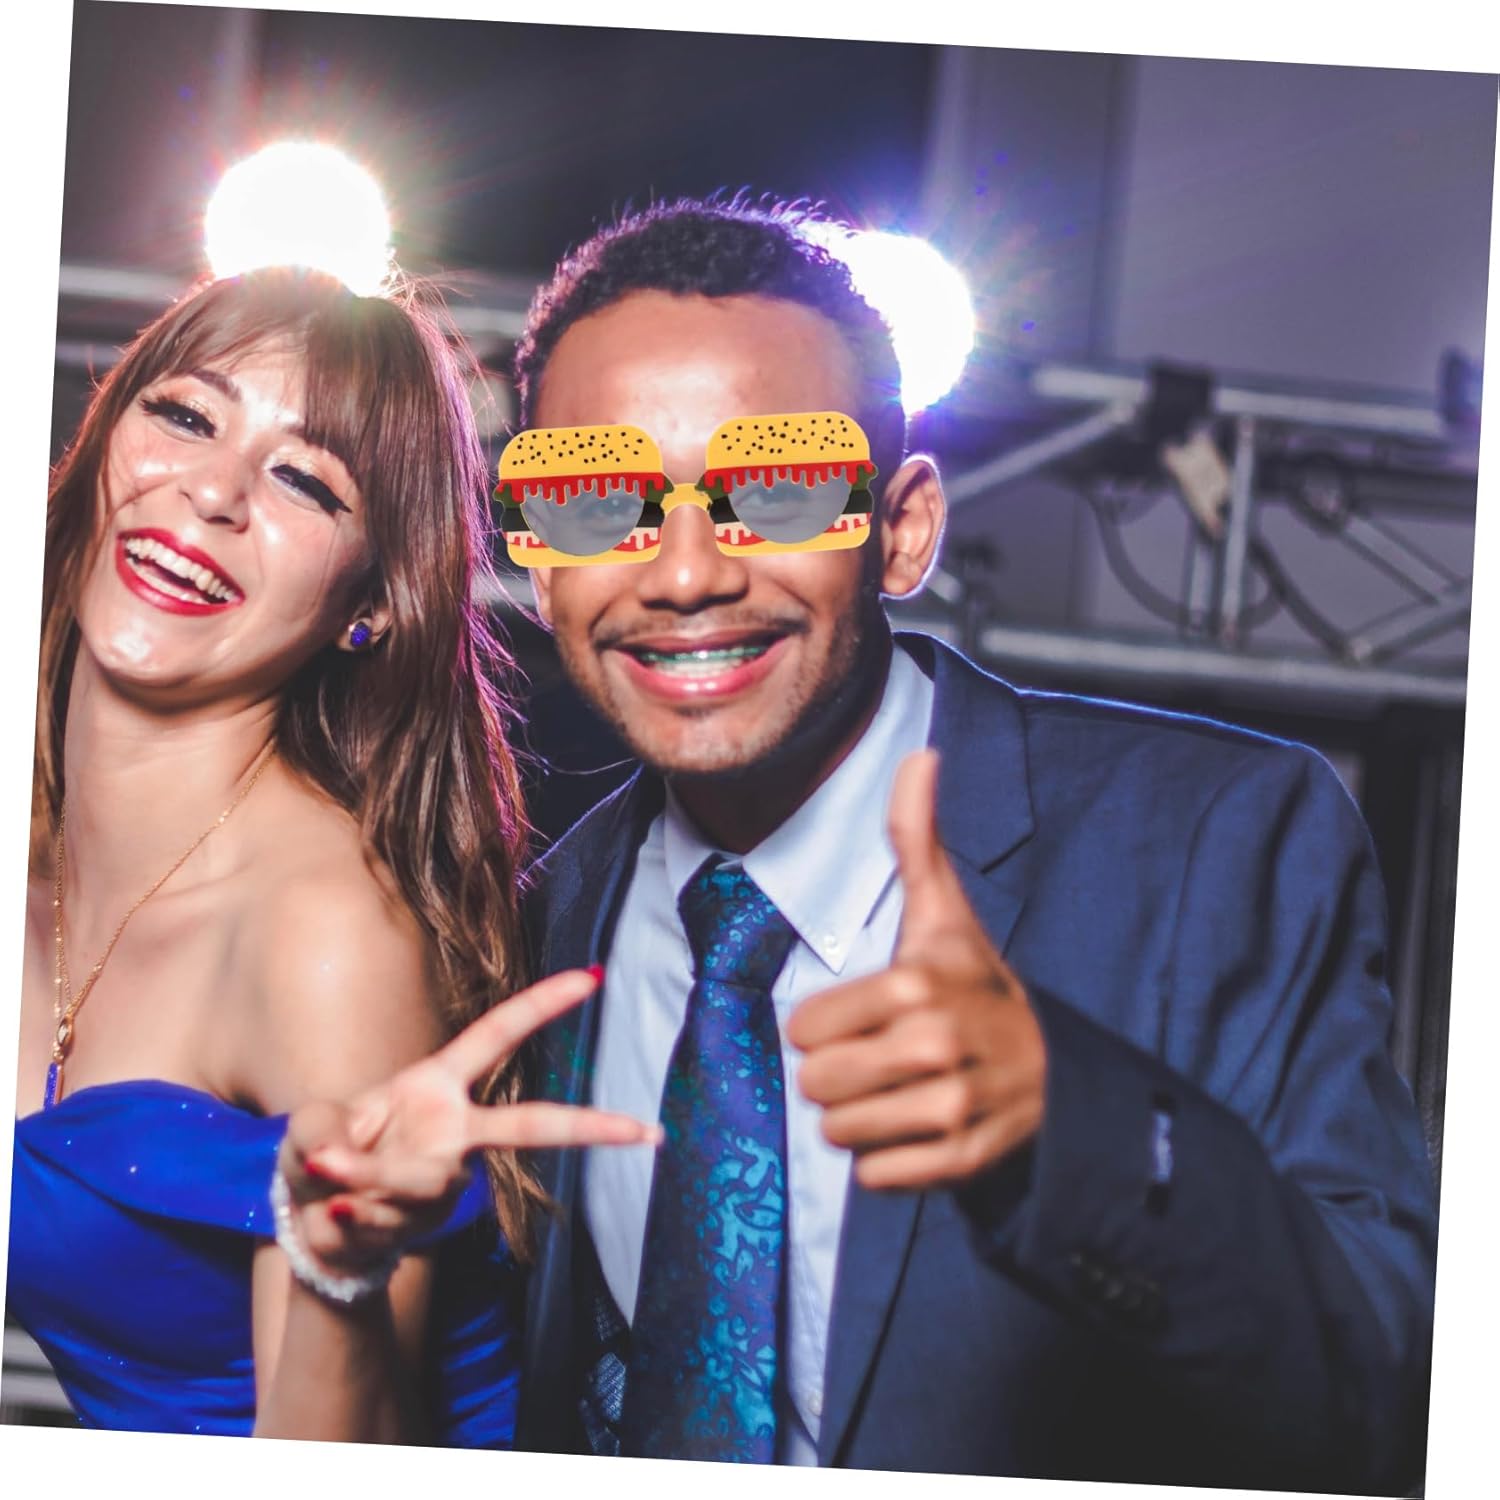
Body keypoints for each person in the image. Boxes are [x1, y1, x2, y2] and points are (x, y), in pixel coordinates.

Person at [295, 198, 1438, 1490]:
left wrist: (1077, 1128)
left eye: (779, 490)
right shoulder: (536, 926)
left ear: (902, 530)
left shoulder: (1209, 841)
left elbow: (1384, 1388)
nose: (684, 574)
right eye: (596, 499)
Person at [7, 267, 655, 1444]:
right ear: (100, 444)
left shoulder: (328, 933)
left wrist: (331, 1265)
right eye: (186, 416)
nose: (213, 491)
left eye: (305, 479)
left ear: (374, 602)